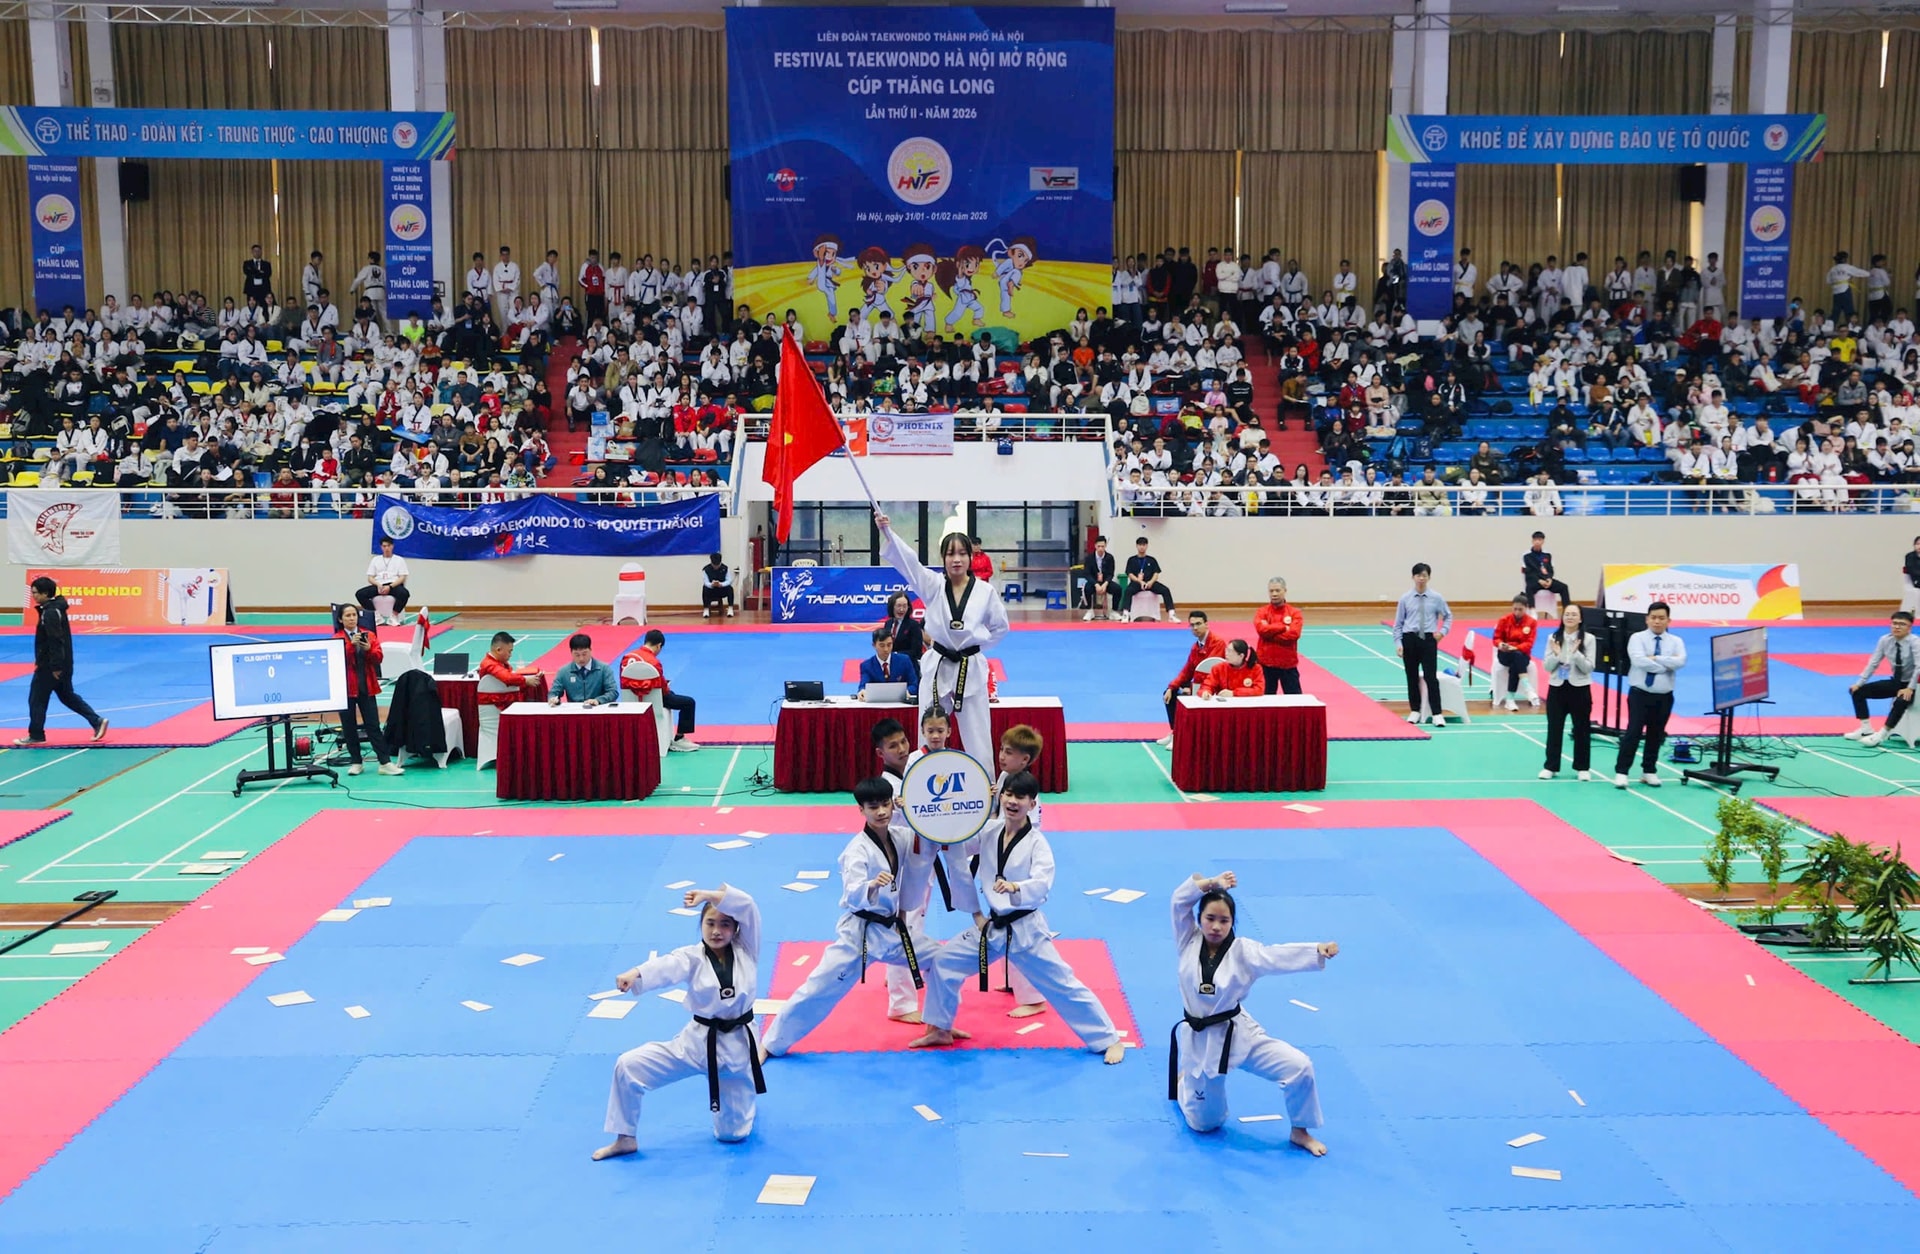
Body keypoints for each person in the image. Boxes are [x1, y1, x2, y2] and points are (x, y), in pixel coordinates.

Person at [907, 772, 1127, 1064]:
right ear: (1001, 796)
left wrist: (1016, 888)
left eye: (1020, 797)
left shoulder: (1037, 844)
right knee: (945, 962)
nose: (1012, 801)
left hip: (1025, 930)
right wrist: (930, 821)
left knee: (1062, 984)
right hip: (992, 926)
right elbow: (956, 844)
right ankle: (939, 1028)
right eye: (1008, 794)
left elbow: (1042, 884)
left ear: (1032, 804)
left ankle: (1109, 1039)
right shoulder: (990, 831)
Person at [760, 778, 967, 1057]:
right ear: (861, 810)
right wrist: (871, 885)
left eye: (885, 805)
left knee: (943, 959)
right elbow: (851, 894)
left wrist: (918, 812)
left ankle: (939, 1027)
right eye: (873, 807)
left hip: (892, 932)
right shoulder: (856, 850)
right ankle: (771, 1044)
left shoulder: (900, 837)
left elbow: (927, 841)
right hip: (860, 935)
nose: (881, 811)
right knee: (819, 989)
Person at [1169, 871, 1336, 1153]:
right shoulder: (1187, 940)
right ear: (1199, 918)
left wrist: (1316, 950)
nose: (1216, 926)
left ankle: (1300, 1131)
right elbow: (1178, 901)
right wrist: (1212, 884)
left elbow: (1276, 956)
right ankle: (1186, 1081)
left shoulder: (1244, 951)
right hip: (1200, 1042)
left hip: (1236, 1033)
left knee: (1299, 1067)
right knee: (1205, 1124)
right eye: (1210, 918)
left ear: (1233, 922)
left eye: (1224, 920)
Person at [595, 884, 765, 1159]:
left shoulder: (747, 948)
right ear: (701, 925)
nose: (716, 931)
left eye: (725, 924)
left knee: (732, 1135)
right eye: (710, 923)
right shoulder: (691, 956)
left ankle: (744, 1102)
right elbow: (666, 966)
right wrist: (635, 973)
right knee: (628, 1066)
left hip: (737, 1049)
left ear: (737, 928)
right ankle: (625, 1138)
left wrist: (708, 895)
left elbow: (747, 905)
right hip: (696, 1044)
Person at [877, 510, 1009, 765]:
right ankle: (921, 784)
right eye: (950, 554)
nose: (956, 559)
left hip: (969, 666)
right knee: (929, 731)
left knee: (978, 735)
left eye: (962, 553)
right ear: (943, 558)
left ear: (971, 557)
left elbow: (1000, 627)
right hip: (937, 665)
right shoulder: (933, 585)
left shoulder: (985, 592)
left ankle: (985, 787)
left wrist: (975, 646)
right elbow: (910, 563)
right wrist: (887, 532)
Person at [16, 576, 107, 745]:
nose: (33, 596)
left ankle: (36, 734)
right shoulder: (53, 609)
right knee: (66, 695)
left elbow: (56, 640)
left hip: (51, 665)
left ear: (45, 593)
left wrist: (55, 666)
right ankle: (96, 721)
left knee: (37, 698)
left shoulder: (51, 612)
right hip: (62, 663)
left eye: (35, 593)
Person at [1614, 601, 1685, 788]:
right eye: (1653, 618)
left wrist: (1657, 658)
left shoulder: (1676, 641)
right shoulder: (1637, 638)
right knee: (1633, 732)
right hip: (1640, 694)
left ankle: (1649, 770)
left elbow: (1680, 662)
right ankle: (1622, 771)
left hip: (1664, 695)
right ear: (1647, 619)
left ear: (1668, 620)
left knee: (1656, 734)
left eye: (1661, 618)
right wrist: (1664, 666)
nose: (1657, 621)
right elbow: (1639, 661)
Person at [335, 603, 401, 776]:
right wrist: (351, 646)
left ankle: (385, 762)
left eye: (354, 615)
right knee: (348, 727)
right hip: (345, 690)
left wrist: (369, 649)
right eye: (347, 615)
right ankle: (356, 762)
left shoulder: (369, 635)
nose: (351, 618)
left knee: (373, 726)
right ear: (340, 619)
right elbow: (337, 661)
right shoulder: (337, 639)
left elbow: (379, 658)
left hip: (366, 687)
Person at [1540, 603, 1598, 780]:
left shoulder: (1588, 639)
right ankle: (1551, 766)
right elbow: (1547, 666)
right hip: (1557, 687)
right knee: (1554, 728)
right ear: (1562, 617)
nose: (1570, 617)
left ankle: (1582, 767)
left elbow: (1589, 667)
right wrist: (1557, 655)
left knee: (1582, 729)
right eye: (1567, 614)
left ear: (1580, 619)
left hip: (1580, 688)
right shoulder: (1553, 638)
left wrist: (1576, 654)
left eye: (1574, 614)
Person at [1392, 562, 1452, 727]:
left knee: (1430, 677)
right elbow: (1398, 623)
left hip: (1428, 640)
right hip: (1409, 639)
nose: (1421, 578)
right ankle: (1415, 710)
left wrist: (1443, 632)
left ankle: (1437, 713)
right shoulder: (1405, 599)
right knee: (1411, 676)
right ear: (1413, 577)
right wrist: (1398, 643)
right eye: (1418, 575)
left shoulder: (1436, 598)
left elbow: (1448, 616)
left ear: (1429, 577)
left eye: (1424, 575)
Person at [1845, 610, 1916, 747]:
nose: (1897, 627)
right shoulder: (1885, 640)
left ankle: (1881, 734)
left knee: (1901, 700)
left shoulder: (1915, 643)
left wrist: (1910, 688)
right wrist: (1859, 683)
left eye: (1902, 624)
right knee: (1857, 692)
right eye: (1894, 623)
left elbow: (1919, 667)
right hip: (1896, 681)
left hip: (1915, 684)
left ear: (1909, 627)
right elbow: (1873, 662)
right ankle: (1866, 729)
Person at [622, 628, 699, 751]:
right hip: (654, 700)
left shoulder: (627, 657)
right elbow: (663, 690)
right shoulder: (653, 662)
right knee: (688, 702)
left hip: (630, 699)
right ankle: (679, 739)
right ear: (659, 646)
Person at [1159, 609, 1227, 747]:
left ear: (1206, 624)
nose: (1195, 628)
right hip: (1197, 684)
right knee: (1170, 693)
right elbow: (1187, 670)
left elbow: (1210, 672)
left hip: (1212, 687)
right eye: (1192, 625)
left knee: (1183, 696)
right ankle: (1175, 732)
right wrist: (1172, 686)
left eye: (1198, 624)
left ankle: (1180, 736)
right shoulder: (1196, 646)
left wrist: (1192, 688)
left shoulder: (1218, 643)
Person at [1253, 577, 1305, 694]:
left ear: (1285, 591)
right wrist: (1283, 627)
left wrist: (1269, 632)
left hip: (1288, 663)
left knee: (1294, 700)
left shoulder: (1294, 612)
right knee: (1265, 700)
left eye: (1277, 590)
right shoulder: (1262, 612)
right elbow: (1262, 630)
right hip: (1265, 664)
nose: (1274, 594)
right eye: (1271, 591)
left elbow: (1294, 634)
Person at [478, 631, 543, 715]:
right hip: (496, 706)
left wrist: (532, 680)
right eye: (509, 651)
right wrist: (525, 680)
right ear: (498, 650)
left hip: (505, 702)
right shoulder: (489, 664)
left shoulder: (501, 663)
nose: (510, 655)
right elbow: (508, 678)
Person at [1492, 594, 1539, 712]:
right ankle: (1527, 687)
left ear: (1526, 608)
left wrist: (1516, 648)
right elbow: (1496, 638)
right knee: (1516, 658)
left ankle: (1510, 700)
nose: (1517, 612)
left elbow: (1529, 643)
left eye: (1520, 609)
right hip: (1505, 654)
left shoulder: (1531, 622)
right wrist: (1501, 645)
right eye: (1515, 609)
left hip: (1523, 654)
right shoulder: (1504, 620)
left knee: (1516, 662)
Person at [548, 632, 618, 706]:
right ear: (571, 653)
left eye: (584, 654)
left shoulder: (604, 669)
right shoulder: (564, 672)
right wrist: (553, 698)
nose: (581, 658)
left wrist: (598, 700)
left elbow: (613, 692)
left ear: (590, 650)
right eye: (577, 655)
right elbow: (554, 692)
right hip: (574, 711)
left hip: (598, 708)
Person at [357, 536, 411, 623]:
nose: (386, 548)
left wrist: (390, 587)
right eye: (384, 546)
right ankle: (376, 615)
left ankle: (394, 615)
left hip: (393, 585)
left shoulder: (399, 560)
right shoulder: (375, 560)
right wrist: (378, 585)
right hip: (379, 585)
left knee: (404, 593)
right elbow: (370, 577)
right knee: (360, 594)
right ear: (381, 547)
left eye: (388, 546)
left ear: (392, 546)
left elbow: (402, 577)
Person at [857, 624, 919, 699]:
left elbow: (914, 685)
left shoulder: (904, 661)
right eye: (882, 645)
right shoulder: (866, 666)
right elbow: (863, 686)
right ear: (874, 645)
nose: (886, 649)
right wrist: (862, 691)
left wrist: (907, 691)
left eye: (889, 645)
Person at [1124, 535, 1176, 618]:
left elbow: (1156, 573)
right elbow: (1129, 574)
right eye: (1140, 545)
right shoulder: (1131, 560)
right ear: (1136, 546)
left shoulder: (1152, 560)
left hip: (1150, 583)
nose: (1142, 547)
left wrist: (1151, 582)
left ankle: (1171, 614)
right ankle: (1126, 614)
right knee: (1128, 591)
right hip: (1137, 583)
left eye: (1144, 545)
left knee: (1165, 590)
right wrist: (1139, 581)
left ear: (1147, 546)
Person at [1521, 531, 1571, 613]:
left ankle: (1567, 611)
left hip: (1547, 581)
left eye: (1539, 540)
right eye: (1535, 540)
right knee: (1528, 588)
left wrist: (1549, 579)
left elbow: (1550, 569)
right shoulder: (1526, 555)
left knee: (1564, 587)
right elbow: (1528, 572)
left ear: (1543, 541)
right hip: (1535, 581)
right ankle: (1532, 611)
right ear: (1532, 541)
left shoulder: (1547, 554)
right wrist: (1539, 580)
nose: (1537, 542)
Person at [879, 590, 925, 662]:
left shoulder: (914, 625)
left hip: (907, 664)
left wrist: (895, 655)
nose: (901, 609)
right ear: (892, 606)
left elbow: (916, 652)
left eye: (904, 606)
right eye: (899, 606)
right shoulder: (888, 623)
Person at [1080, 534, 1116, 621]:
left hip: (1105, 582)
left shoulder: (1110, 558)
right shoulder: (1089, 558)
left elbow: (1111, 574)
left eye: (1102, 546)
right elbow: (1087, 574)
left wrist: (1105, 584)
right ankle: (1089, 610)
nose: (1100, 549)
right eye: (1098, 546)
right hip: (1093, 582)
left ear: (1105, 546)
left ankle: (1114, 611)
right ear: (1095, 546)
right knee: (1087, 589)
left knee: (1117, 589)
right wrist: (1096, 584)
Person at [700, 552, 735, 619]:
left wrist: (721, 584)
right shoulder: (706, 569)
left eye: (718, 565)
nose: (716, 567)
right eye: (714, 565)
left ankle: (730, 608)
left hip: (722, 589)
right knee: (704, 588)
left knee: (730, 588)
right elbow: (706, 582)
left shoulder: (725, 568)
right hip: (711, 590)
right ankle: (706, 609)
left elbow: (729, 580)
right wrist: (712, 584)